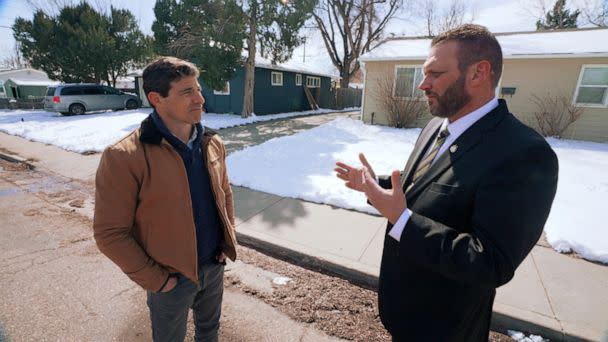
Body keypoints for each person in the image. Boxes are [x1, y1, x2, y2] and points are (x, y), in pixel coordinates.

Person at [335, 24, 558, 341]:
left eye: (435, 74)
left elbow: (490, 262)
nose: (423, 85)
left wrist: (402, 220)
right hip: (405, 314)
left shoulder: (524, 154)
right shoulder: (435, 126)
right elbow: (424, 188)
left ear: (479, 73)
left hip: (446, 329)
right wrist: (375, 185)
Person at [93, 56, 237, 342]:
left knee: (210, 333)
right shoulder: (124, 156)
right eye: (187, 92)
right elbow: (110, 233)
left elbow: (225, 194)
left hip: (213, 267)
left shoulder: (212, 142)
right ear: (156, 98)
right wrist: (159, 281)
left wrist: (226, 240)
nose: (200, 99)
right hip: (170, 279)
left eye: (198, 89)